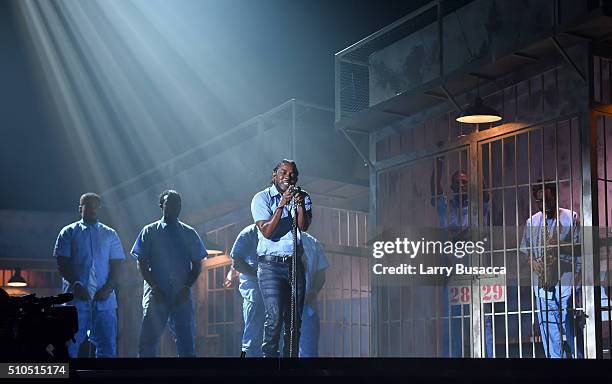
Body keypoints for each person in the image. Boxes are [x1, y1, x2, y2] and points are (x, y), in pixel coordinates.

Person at [131, 190, 207, 357]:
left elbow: (197, 264)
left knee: (186, 343)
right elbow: (141, 262)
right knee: (147, 343)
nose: (174, 208)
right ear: (161, 206)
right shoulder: (149, 232)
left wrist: (187, 287)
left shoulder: (189, 233)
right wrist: (154, 286)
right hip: (157, 294)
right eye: (170, 204)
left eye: (177, 204)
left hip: (181, 296)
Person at [431, 160, 493, 357]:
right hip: (453, 274)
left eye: (465, 182)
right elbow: (434, 192)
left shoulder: (478, 207)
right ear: (452, 187)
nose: (462, 185)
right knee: (452, 322)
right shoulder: (446, 208)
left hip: (476, 273)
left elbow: (485, 193)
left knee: (483, 320)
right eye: (458, 182)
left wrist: (473, 155)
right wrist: (440, 162)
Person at [251, 159, 312, 357]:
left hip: (294, 264)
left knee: (294, 320)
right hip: (270, 266)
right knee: (275, 317)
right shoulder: (261, 198)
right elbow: (268, 232)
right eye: (284, 172)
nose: (288, 177)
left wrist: (300, 205)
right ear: (274, 175)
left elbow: (303, 226)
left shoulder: (303, 197)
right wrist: (281, 205)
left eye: (292, 174)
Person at [54, 192, 124, 358]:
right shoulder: (69, 232)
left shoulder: (110, 234)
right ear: (80, 208)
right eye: (87, 206)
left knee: (107, 348)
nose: (91, 210)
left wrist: (108, 288)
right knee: (69, 346)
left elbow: (117, 264)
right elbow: (62, 262)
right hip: (76, 300)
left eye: (95, 206)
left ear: (99, 209)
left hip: (104, 299)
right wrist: (76, 284)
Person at [520, 181, 583, 358]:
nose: (544, 205)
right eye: (539, 202)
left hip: (566, 283)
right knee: (549, 332)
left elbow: (581, 248)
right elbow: (526, 251)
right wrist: (532, 262)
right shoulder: (531, 221)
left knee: (571, 330)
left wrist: (560, 245)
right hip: (542, 285)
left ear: (555, 197)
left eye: (547, 200)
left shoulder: (571, 217)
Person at [227, 224, 264, 357]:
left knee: (275, 339)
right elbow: (236, 261)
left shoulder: (280, 230)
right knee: (252, 339)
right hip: (255, 292)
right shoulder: (249, 233)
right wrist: (259, 275)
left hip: (276, 292)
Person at [299, 232, 329, 357]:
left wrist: (313, 292)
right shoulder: (272, 241)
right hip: (284, 306)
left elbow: (321, 274)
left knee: (308, 351)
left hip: (306, 305)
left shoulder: (312, 243)